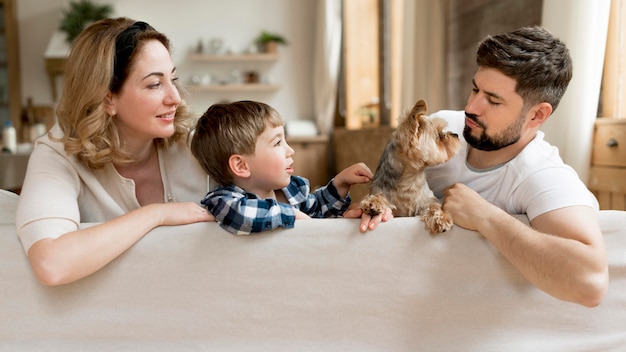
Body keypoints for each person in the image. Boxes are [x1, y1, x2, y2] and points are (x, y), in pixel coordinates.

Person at [371, 26, 608, 307]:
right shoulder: (443, 127)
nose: (471, 106)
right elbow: (385, 190)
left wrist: (484, 215)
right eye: (475, 89)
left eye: (493, 100)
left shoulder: (543, 175)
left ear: (538, 114)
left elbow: (590, 284)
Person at [15, 18, 213, 286]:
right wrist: (156, 214)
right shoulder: (58, 154)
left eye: (173, 79)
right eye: (155, 84)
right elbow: (52, 264)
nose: (175, 97)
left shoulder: (195, 146)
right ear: (108, 98)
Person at [190, 100, 374, 235]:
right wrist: (292, 214)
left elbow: (317, 210)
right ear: (241, 165)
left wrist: (341, 183)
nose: (290, 150)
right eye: (278, 142)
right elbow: (242, 215)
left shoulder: (292, 190)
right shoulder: (223, 200)